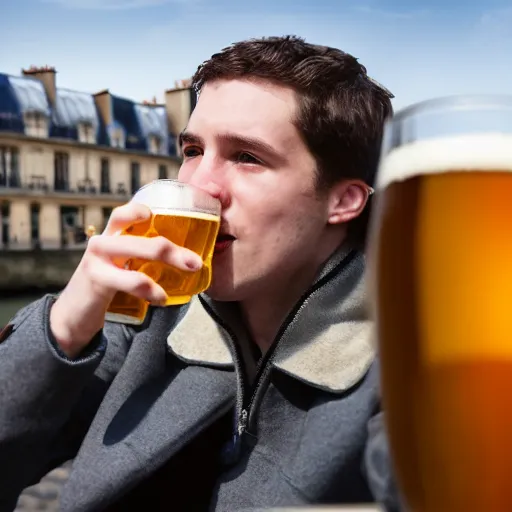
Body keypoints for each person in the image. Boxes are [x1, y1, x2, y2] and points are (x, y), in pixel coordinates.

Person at [0, 36, 399, 511]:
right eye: (192, 150)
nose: (196, 184)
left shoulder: (407, 368)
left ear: (344, 200)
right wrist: (62, 329)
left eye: (247, 157)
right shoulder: (155, 316)